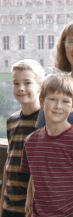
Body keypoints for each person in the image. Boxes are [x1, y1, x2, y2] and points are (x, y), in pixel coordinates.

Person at [20, 74, 73, 217]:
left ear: (72, 107)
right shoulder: (30, 141)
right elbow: (34, 176)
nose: (58, 106)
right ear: (41, 102)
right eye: (52, 99)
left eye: (65, 101)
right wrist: (29, 200)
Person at [0, 59, 45, 217]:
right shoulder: (11, 121)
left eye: (27, 83)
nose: (21, 88)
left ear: (40, 85)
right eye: (16, 83)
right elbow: (9, 163)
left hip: (30, 208)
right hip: (9, 205)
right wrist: (1, 204)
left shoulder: (44, 121)